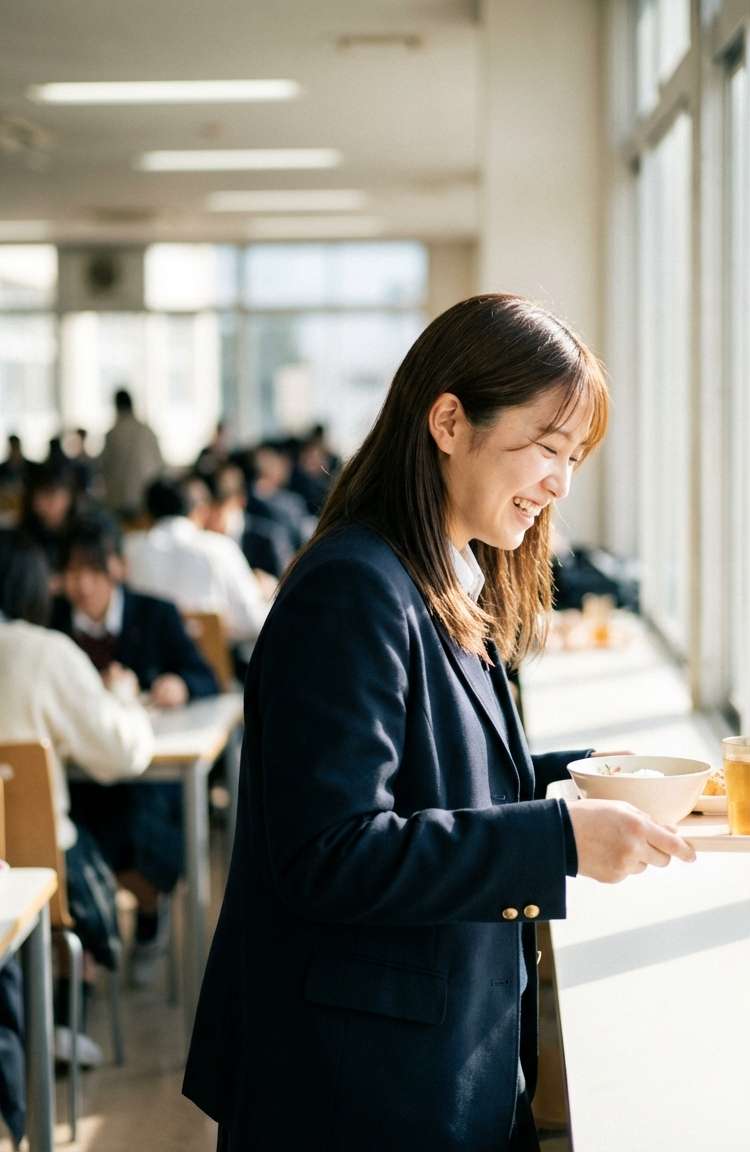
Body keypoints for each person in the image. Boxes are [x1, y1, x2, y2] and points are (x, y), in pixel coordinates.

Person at [183, 294, 696, 1151]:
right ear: (449, 421)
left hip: (424, 1061)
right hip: (350, 1090)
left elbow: (443, 775)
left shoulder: (449, 573)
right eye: (545, 445)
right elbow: (332, 851)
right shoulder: (354, 589)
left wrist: (581, 779)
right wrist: (561, 840)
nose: (560, 483)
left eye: (574, 457)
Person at [0, 531, 153, 1064]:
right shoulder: (43, 651)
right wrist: (123, 698)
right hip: (36, 860)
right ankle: (66, 1007)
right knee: (85, 852)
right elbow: (122, 753)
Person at [51, 511, 218, 985]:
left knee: (142, 825)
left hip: (149, 773)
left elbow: (206, 676)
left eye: (91, 571)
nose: (82, 585)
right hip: (80, 773)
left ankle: (147, 909)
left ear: (116, 569)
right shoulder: (56, 626)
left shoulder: (155, 613)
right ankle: (91, 938)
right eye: (71, 573)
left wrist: (179, 686)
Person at [124, 477, 269, 649]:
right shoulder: (218, 548)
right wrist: (265, 594)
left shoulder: (130, 549)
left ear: (147, 514)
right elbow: (253, 623)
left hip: (149, 662)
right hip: (213, 666)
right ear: (198, 510)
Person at [98, 388, 163, 517]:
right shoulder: (146, 431)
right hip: (146, 498)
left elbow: (103, 467)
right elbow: (160, 464)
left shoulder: (113, 434)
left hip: (120, 500)